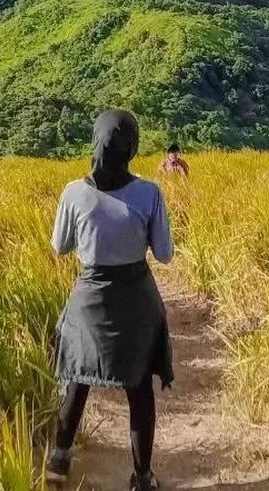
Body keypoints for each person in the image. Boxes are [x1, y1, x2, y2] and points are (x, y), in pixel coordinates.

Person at [46, 109, 174, 491]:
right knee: (139, 389)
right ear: (132, 148)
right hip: (136, 302)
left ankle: (58, 463)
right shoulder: (149, 193)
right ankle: (143, 478)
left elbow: (60, 245)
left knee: (77, 378)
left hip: (89, 301)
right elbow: (165, 254)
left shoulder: (74, 191)